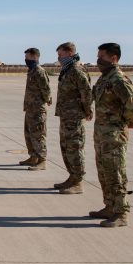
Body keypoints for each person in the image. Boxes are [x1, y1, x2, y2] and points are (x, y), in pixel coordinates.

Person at [91, 43, 133, 227]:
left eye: (101, 56)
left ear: (113, 58)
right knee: (104, 172)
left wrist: (119, 123)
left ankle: (121, 213)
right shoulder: (104, 78)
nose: (98, 60)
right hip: (102, 134)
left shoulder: (119, 79)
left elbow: (132, 108)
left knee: (116, 174)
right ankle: (110, 206)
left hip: (114, 135)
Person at [52, 42, 93, 194]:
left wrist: (88, 111)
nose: (58, 57)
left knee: (75, 148)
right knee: (66, 148)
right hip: (66, 116)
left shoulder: (76, 70)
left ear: (69, 53)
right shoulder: (67, 69)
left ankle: (78, 182)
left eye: (60, 54)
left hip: (75, 117)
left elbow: (87, 93)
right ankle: (72, 177)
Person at [20, 47, 51, 171]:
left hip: (38, 109)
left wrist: (44, 102)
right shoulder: (32, 71)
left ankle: (42, 160)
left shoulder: (39, 71)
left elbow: (46, 90)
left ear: (34, 56)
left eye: (27, 57)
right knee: (29, 134)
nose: (25, 59)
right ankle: (33, 157)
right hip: (30, 108)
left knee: (38, 135)